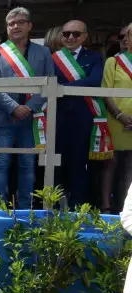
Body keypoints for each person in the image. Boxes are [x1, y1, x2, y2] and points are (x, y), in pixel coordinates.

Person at [0, 7, 54, 209]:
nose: (15, 26)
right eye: (11, 23)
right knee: (0, 164)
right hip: (2, 117)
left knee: (27, 165)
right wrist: (14, 107)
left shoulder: (43, 52)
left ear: (29, 25)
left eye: (20, 22)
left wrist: (29, 108)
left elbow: (49, 83)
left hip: (31, 119)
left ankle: (25, 208)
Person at [52, 20, 105, 207]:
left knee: (79, 165)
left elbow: (94, 82)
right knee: (56, 165)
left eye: (75, 34)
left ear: (84, 36)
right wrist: (56, 88)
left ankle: (77, 209)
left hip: (83, 117)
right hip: (57, 118)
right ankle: (54, 208)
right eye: (66, 34)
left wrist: (60, 87)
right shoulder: (53, 58)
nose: (70, 38)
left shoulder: (95, 57)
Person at [101, 22, 132, 212]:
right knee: (110, 164)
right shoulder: (113, 62)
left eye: (129, 35)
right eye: (124, 36)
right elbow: (106, 92)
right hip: (116, 120)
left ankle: (126, 208)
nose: (125, 39)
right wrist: (120, 116)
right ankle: (106, 207)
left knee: (130, 166)